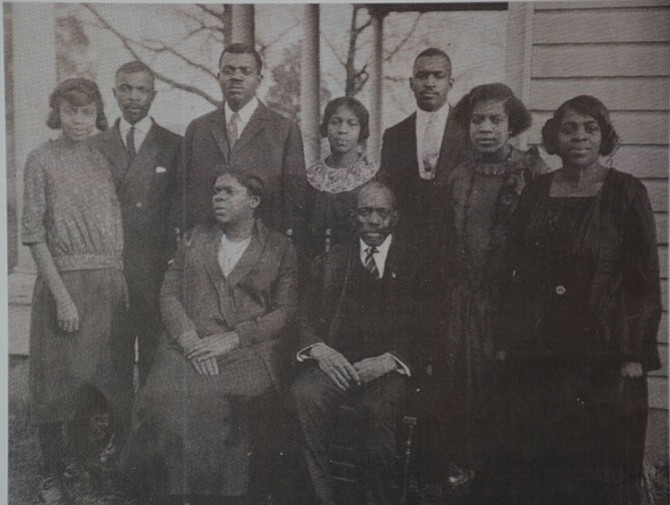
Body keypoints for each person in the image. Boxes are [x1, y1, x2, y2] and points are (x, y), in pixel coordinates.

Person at [503, 95, 662, 505]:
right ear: (555, 137)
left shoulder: (626, 193)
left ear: (604, 136)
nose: (579, 137)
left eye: (590, 128)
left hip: (605, 353)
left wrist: (634, 354)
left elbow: (643, 282)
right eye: (569, 128)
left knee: (600, 468)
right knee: (544, 461)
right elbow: (515, 272)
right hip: (544, 351)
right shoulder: (537, 193)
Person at [122, 170, 298, 505]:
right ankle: (166, 495)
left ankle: (220, 496)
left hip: (248, 350)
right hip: (190, 344)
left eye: (229, 192)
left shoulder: (279, 247)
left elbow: (284, 312)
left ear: (254, 201)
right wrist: (189, 341)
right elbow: (169, 294)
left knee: (216, 402)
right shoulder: (194, 239)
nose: (218, 198)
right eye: (215, 192)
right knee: (158, 398)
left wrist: (234, 338)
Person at [22, 78, 133, 504]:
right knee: (56, 389)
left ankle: (79, 469)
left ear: (97, 115)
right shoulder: (41, 159)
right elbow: (34, 235)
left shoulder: (102, 160)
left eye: (87, 112)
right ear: (58, 113)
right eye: (71, 111)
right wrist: (62, 296)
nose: (80, 120)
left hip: (107, 284)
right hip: (64, 286)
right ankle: (50, 474)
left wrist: (117, 284)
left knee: (93, 386)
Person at [436, 83, 548, 500]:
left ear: (512, 123)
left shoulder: (533, 173)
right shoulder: (459, 175)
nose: (486, 128)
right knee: (464, 398)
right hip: (463, 308)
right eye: (477, 120)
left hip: (510, 310)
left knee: (507, 399)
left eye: (495, 120)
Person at [291, 181, 429, 505]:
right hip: (336, 361)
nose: (374, 221)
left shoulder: (415, 262)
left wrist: (391, 359)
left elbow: (428, 326)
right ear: (353, 217)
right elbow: (302, 317)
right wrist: (320, 350)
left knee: (376, 410)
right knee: (304, 394)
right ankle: (321, 498)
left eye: (382, 213)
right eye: (365, 212)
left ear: (394, 217)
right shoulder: (332, 260)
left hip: (387, 366)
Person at [91, 61, 182, 385]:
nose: (133, 96)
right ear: (114, 93)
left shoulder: (173, 145)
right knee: (113, 352)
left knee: (154, 353)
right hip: (110, 266)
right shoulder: (95, 146)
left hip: (154, 268)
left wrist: (172, 261)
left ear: (153, 95)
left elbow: (179, 207)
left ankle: (149, 430)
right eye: (126, 88)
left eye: (141, 89)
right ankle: (119, 430)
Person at [178, 43, 310, 249]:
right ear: (218, 76)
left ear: (258, 79)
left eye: (245, 71)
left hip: (262, 251)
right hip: (206, 250)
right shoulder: (198, 129)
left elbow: (295, 201)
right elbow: (184, 195)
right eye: (228, 71)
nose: (236, 77)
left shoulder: (283, 130)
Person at [377, 47, 467, 255]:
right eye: (422, 76)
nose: (429, 83)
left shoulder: (468, 131)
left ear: (450, 83)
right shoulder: (394, 136)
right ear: (411, 83)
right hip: (407, 250)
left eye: (438, 76)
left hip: (456, 250)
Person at [306, 96, 378, 251]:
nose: (342, 131)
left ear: (361, 130)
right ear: (326, 127)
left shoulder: (374, 177)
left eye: (352, 124)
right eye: (335, 122)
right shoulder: (311, 178)